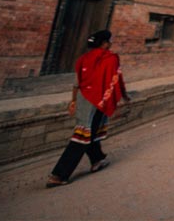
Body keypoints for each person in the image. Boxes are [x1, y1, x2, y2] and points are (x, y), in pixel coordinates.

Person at [46, 29, 130, 187]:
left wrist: (73, 101)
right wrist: (123, 96)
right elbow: (116, 79)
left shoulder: (83, 59)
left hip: (84, 99)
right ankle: (59, 175)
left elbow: (77, 83)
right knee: (81, 136)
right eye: (109, 41)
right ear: (104, 43)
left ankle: (97, 159)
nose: (110, 44)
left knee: (91, 130)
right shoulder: (111, 58)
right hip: (100, 100)